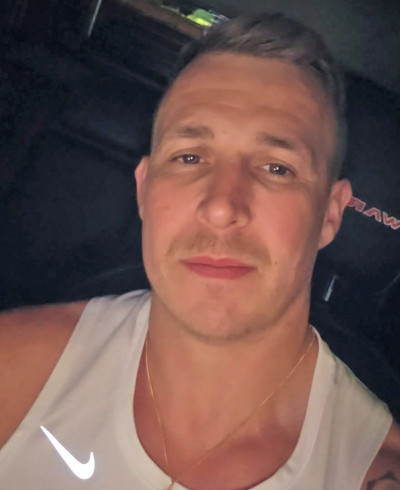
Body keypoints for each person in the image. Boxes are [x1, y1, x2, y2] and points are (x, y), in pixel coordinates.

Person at [0, 13, 399, 490]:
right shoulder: (13, 376)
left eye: (276, 168)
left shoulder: (377, 471)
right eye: (189, 157)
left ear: (330, 215)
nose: (221, 207)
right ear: (144, 189)